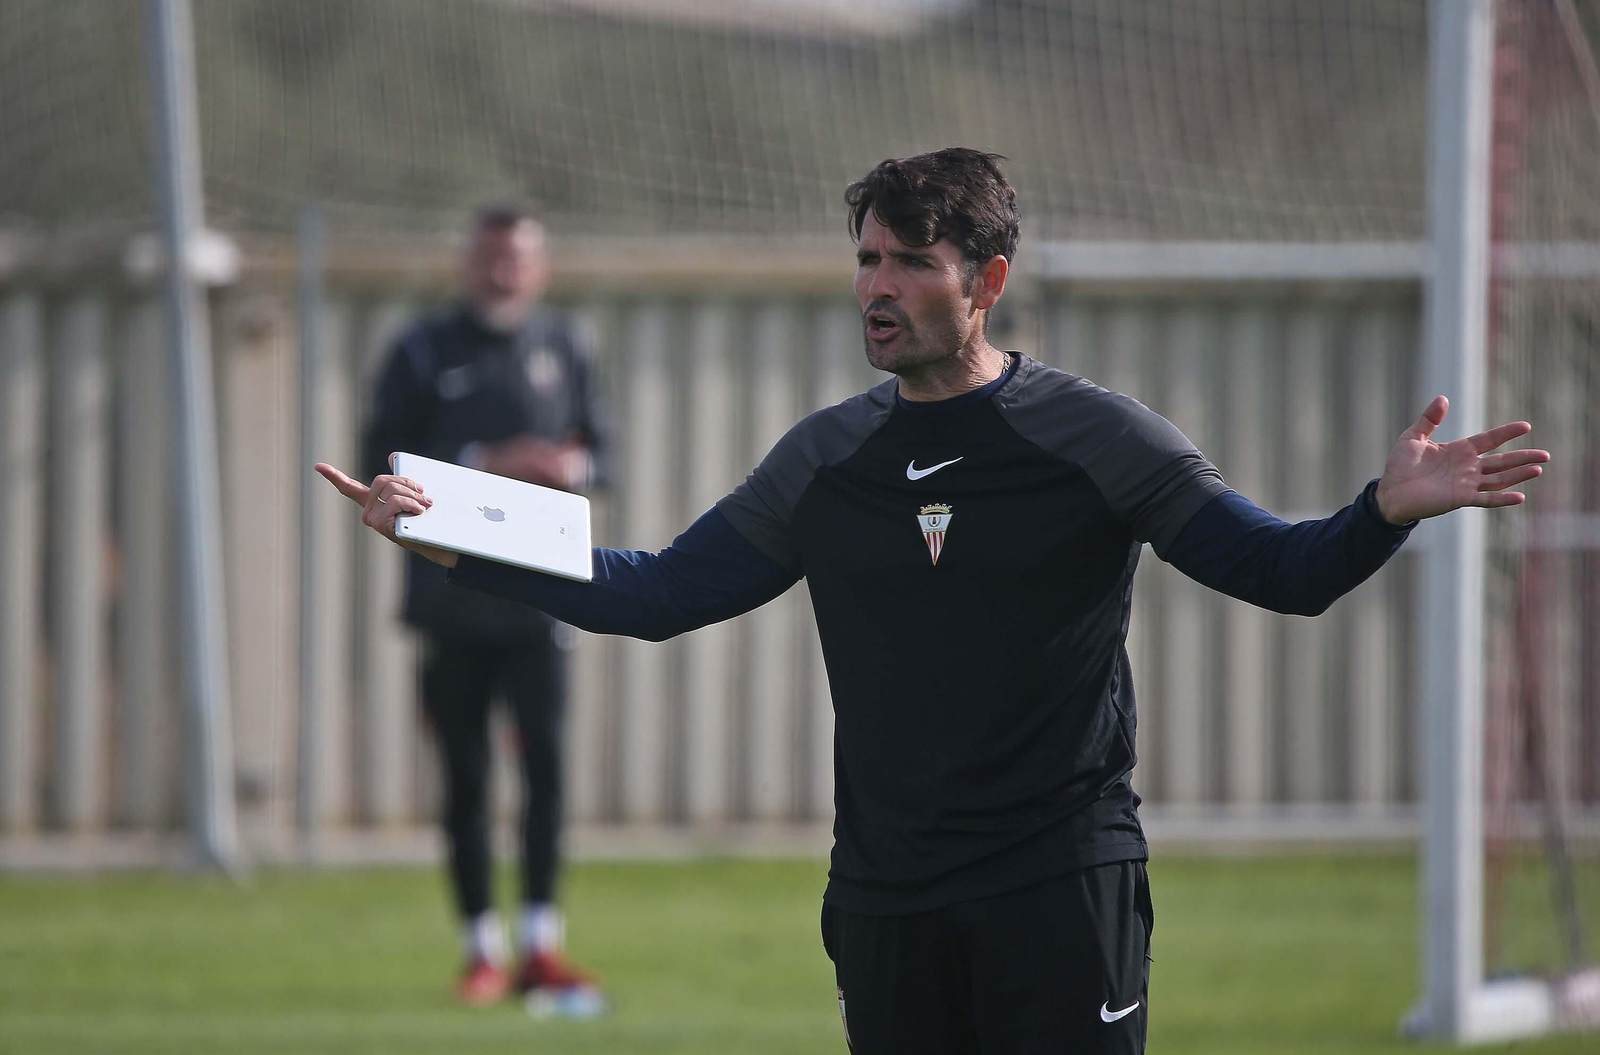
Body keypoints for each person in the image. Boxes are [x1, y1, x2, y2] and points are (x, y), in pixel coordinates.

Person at [321, 149, 1549, 1053]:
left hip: (1059, 885)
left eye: (912, 259)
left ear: (987, 279)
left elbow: (1277, 572)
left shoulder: (1092, 434)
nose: (880, 283)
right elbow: (657, 591)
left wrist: (1381, 510)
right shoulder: (824, 459)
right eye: (866, 257)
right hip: (886, 896)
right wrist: (460, 540)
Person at [360, 203, 610, 1009]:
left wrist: (570, 464)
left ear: (538, 267)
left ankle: (543, 943)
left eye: (518, 259)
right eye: (491, 258)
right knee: (464, 776)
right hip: (451, 602)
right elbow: (380, 461)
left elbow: (604, 451)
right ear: (469, 264)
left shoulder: (565, 344)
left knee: (548, 771)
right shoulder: (422, 349)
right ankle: (480, 951)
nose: (504, 271)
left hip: (540, 602)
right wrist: (482, 462)